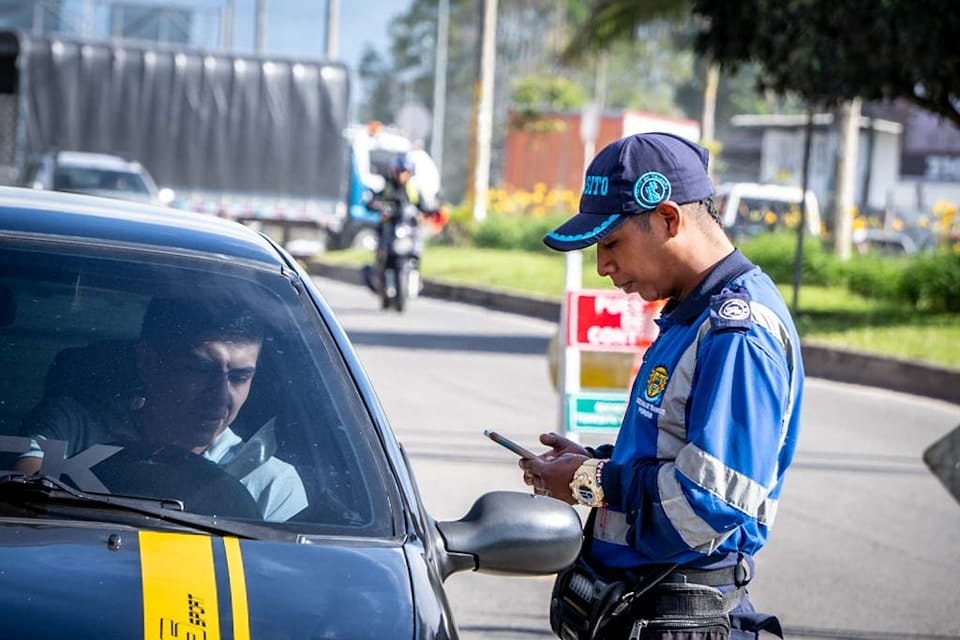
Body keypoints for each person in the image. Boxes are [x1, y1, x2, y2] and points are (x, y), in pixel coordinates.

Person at [522, 132, 804, 639]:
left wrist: (594, 482)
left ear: (669, 219)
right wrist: (595, 463)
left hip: (681, 617)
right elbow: (671, 450)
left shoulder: (737, 333)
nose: (603, 266)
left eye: (611, 243)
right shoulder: (691, 318)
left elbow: (709, 500)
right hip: (646, 607)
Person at [17, 296, 308, 522]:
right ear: (147, 362)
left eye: (239, 377)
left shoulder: (269, 483)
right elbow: (18, 501)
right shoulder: (73, 432)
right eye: (200, 370)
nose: (220, 398)